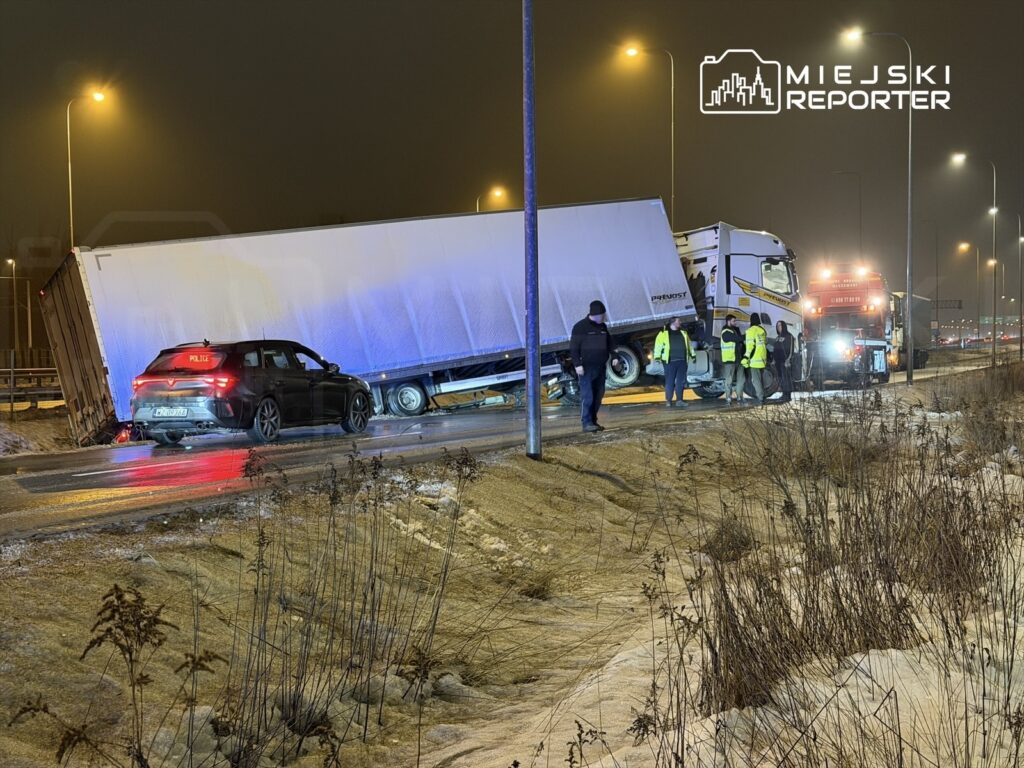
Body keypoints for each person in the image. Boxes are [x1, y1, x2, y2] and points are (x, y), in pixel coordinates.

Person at [569, 300, 619, 433]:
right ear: (595, 314)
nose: (603, 318)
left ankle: (593, 421)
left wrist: (614, 356)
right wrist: (577, 364)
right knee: (588, 396)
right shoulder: (580, 327)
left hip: (600, 367)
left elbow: (610, 344)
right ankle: (586, 423)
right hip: (586, 368)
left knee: (598, 395)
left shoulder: (602, 327)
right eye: (602, 315)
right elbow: (573, 348)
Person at [653, 317, 696, 407]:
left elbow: (689, 345)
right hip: (670, 361)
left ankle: (679, 400)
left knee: (681, 381)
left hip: (682, 361)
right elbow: (658, 346)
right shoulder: (663, 334)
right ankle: (668, 400)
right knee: (670, 381)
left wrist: (693, 355)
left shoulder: (683, 333)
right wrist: (657, 357)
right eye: (678, 321)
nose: (680, 322)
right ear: (673, 323)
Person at [741, 312, 768, 404]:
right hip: (762, 359)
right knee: (760, 379)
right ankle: (762, 395)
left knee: (756, 380)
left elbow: (750, 346)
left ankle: (760, 398)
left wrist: (746, 357)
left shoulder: (750, 331)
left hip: (754, 360)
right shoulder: (762, 330)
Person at [720, 314, 745, 406]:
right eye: (734, 321)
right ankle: (728, 397)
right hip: (729, 360)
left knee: (741, 379)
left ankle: (740, 397)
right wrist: (746, 335)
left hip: (739, 359)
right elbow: (736, 339)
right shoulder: (725, 331)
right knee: (729, 380)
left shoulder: (734, 330)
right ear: (728, 321)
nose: (735, 323)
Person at [773, 319, 795, 403]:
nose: (778, 327)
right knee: (781, 379)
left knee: (786, 379)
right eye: (777, 326)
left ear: (784, 326)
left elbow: (791, 349)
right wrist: (774, 359)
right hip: (778, 362)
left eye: (780, 325)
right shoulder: (777, 338)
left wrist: (788, 360)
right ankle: (784, 394)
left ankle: (787, 395)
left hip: (785, 362)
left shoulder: (789, 336)